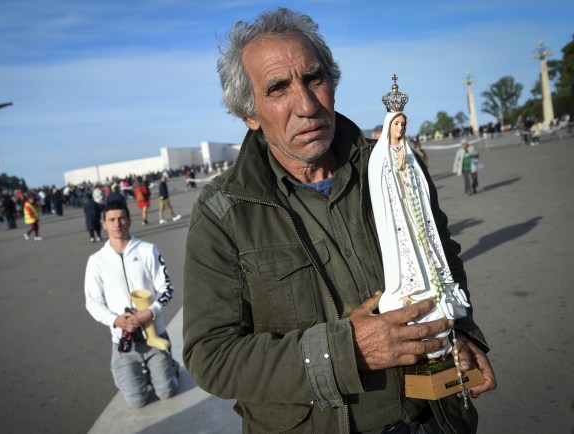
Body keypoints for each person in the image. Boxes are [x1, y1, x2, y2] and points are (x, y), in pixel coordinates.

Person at [183, 8, 496, 434]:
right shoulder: (223, 212)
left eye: (314, 79)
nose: (307, 105)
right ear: (249, 114)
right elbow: (212, 357)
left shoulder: (394, 165)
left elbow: (443, 258)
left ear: (332, 81)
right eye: (278, 88)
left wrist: (463, 331)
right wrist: (343, 350)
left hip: (437, 418)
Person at [369, 78, 470, 361]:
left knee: (427, 246)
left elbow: (420, 183)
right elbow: (381, 184)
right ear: (389, 125)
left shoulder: (410, 153)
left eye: (404, 125)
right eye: (397, 124)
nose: (401, 129)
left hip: (415, 209)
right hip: (397, 211)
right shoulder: (380, 157)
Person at [84, 200, 179, 408]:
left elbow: (166, 289)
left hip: (154, 334)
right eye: (112, 220)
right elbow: (92, 302)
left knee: (166, 391)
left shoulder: (148, 250)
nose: (117, 223)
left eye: (121, 218)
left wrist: (151, 312)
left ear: (129, 220)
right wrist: (116, 320)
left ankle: (170, 366)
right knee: (136, 401)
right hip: (123, 340)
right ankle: (136, 373)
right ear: (104, 224)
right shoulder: (96, 260)